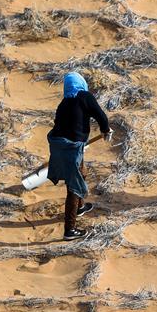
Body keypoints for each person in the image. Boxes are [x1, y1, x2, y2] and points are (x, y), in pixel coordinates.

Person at [47, 71, 112, 240]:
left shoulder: (63, 103)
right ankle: (70, 230)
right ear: (81, 83)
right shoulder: (84, 96)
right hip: (71, 147)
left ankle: (80, 207)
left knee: (81, 173)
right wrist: (105, 130)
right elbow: (100, 115)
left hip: (58, 145)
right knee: (73, 187)